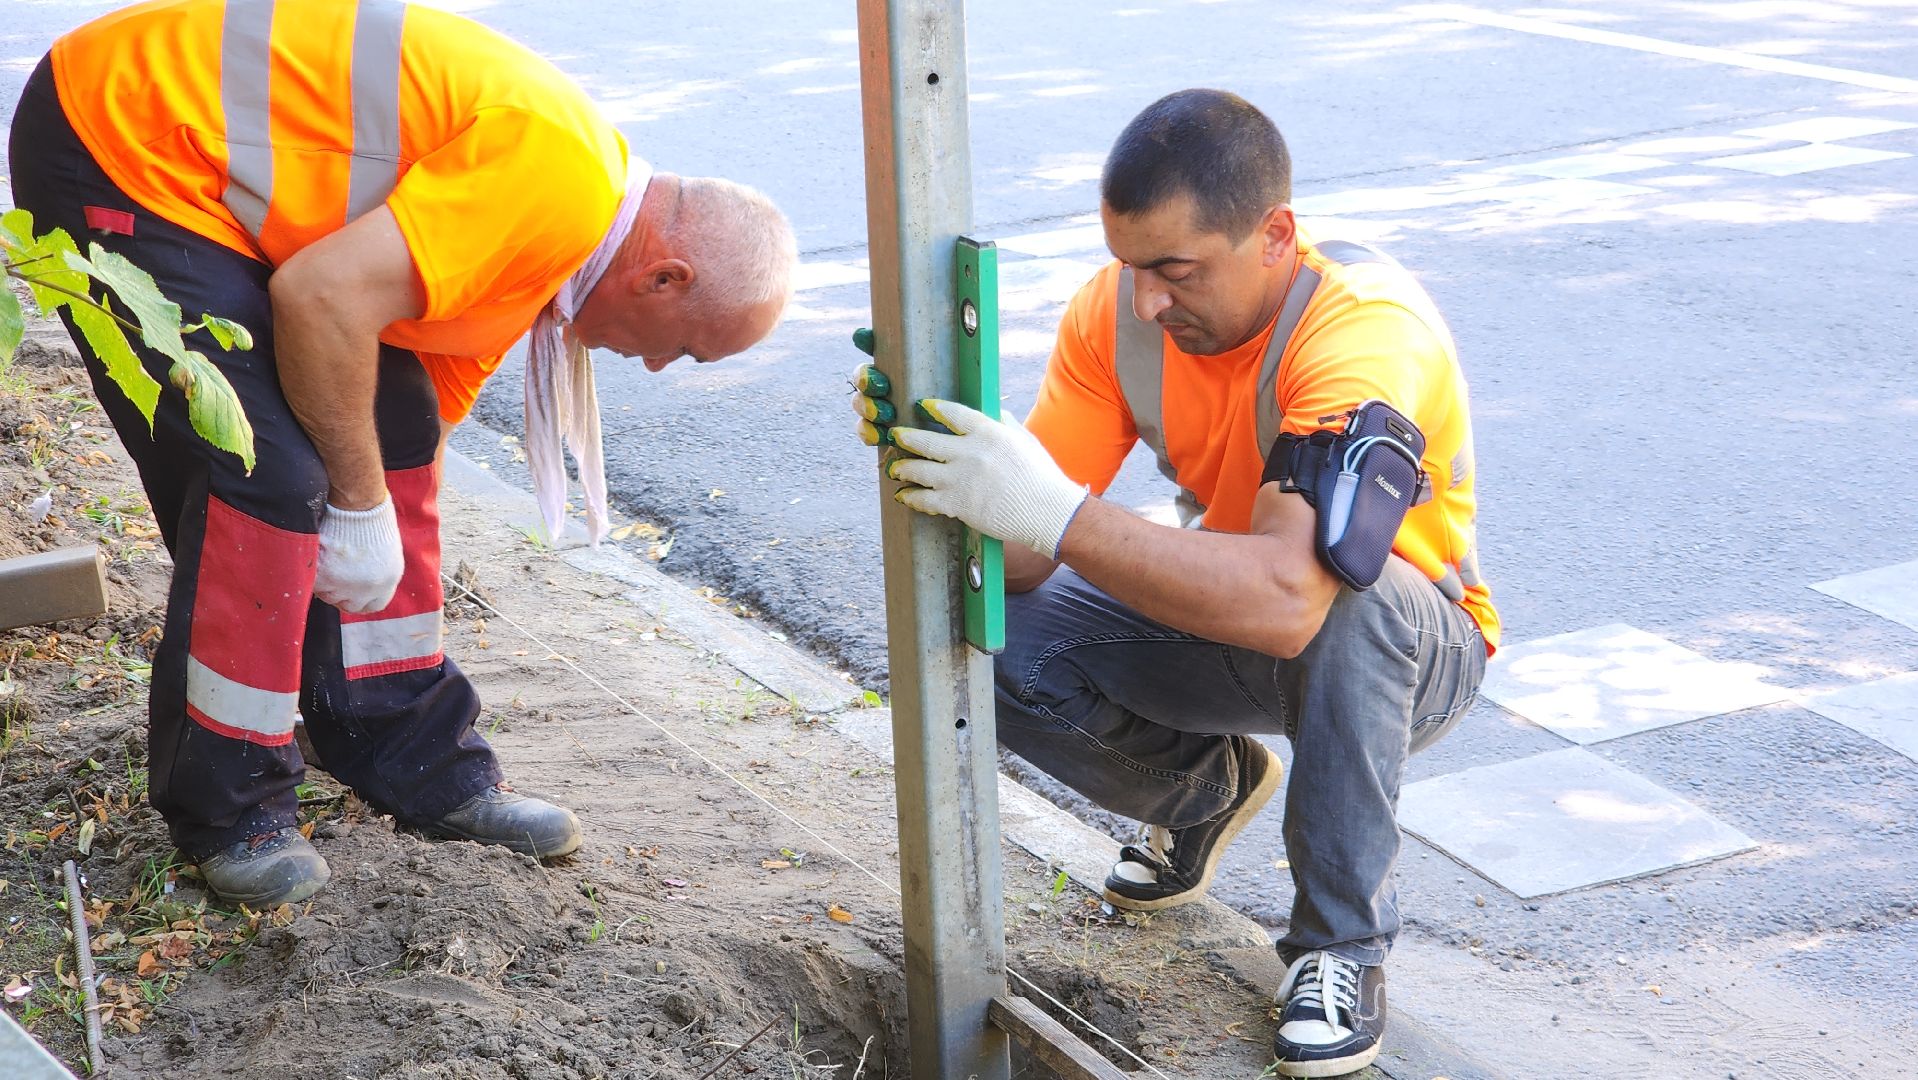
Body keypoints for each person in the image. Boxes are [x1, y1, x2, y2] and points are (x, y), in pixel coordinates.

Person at [7, 0, 797, 909]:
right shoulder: (556, 191)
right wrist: (351, 505)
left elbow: (412, 425)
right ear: (666, 278)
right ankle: (229, 810)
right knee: (265, 473)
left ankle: (407, 750)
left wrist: (371, 518)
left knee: (395, 445)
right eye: (682, 348)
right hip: (121, 135)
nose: (656, 365)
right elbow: (322, 299)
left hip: (199, 167)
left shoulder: (558, 250)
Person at [856, 89, 1496, 1077]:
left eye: (1175, 270)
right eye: (1130, 267)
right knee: (975, 627)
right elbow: (1021, 562)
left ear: (1273, 235)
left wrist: (1054, 510)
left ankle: (1338, 950)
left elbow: (1290, 599)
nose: (1147, 299)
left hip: (1406, 647)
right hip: (1230, 615)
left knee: (1342, 596)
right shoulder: (1114, 317)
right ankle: (1206, 789)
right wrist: (948, 459)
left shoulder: (1362, 334)